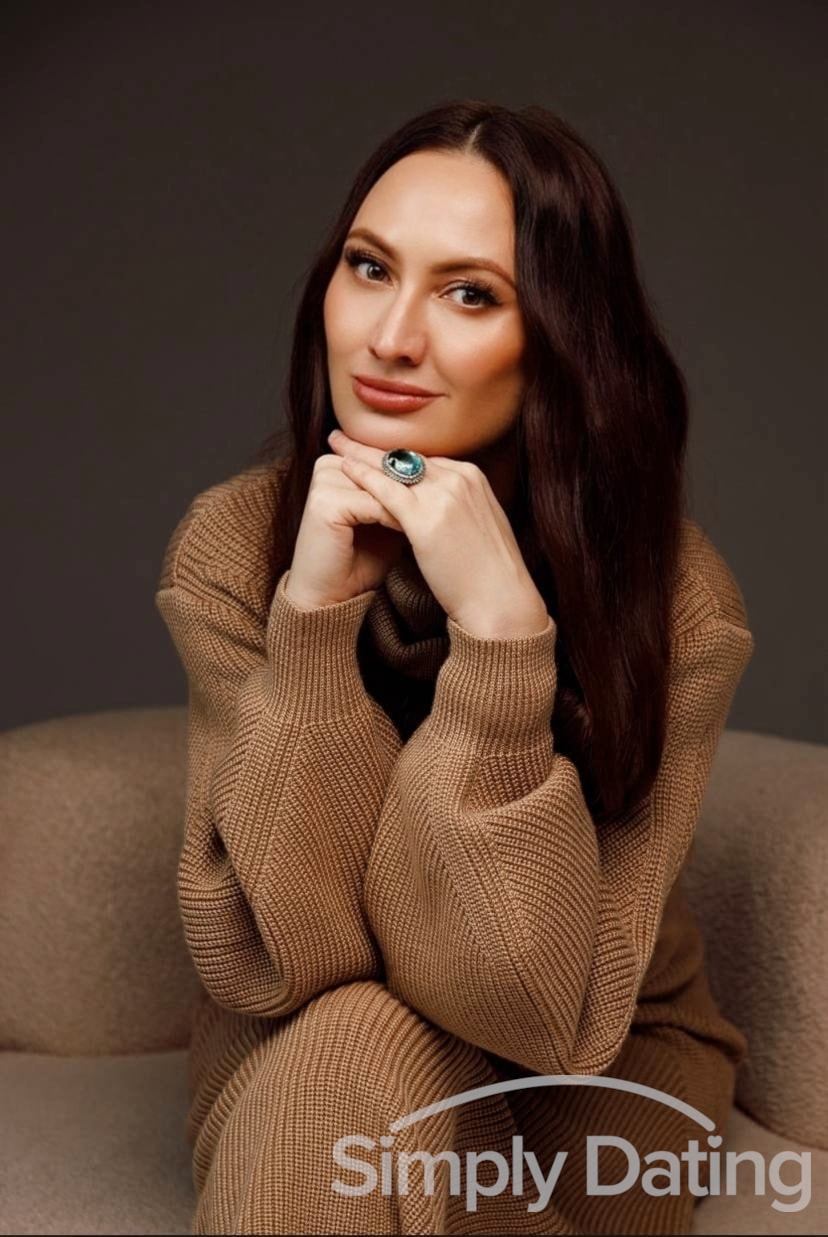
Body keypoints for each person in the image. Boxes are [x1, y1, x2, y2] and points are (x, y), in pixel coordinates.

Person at [155, 98, 755, 1236]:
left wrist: (500, 637)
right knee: (345, 1041)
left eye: (469, 294)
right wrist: (313, 626)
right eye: (370, 268)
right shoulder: (237, 546)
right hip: (304, 1042)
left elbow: (533, 1009)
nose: (390, 337)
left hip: (587, 1081)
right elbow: (278, 964)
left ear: (562, 339)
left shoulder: (674, 596)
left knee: (357, 1053)